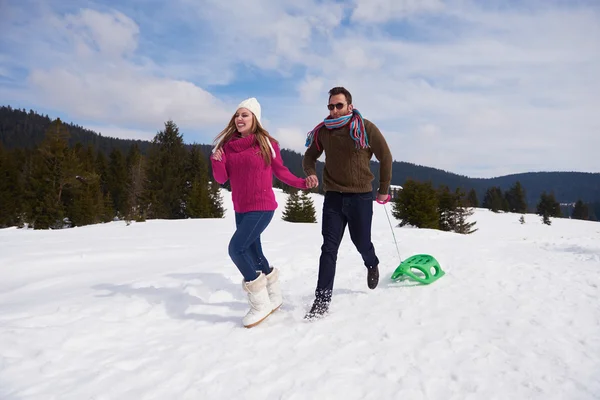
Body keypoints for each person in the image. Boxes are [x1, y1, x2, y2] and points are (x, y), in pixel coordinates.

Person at [211, 97, 316, 328]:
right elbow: (221, 178)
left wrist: (302, 183)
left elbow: (281, 171)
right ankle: (274, 296)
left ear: (255, 119)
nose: (239, 119)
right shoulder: (227, 146)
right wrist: (216, 160)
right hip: (241, 208)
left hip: (262, 207)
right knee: (254, 251)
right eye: (237, 115)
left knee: (236, 249)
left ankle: (260, 303)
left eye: (244, 115)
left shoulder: (267, 143)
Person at [302, 86, 393, 319]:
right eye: (330, 106)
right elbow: (309, 156)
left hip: (360, 196)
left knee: (361, 242)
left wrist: (383, 189)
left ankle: (371, 263)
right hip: (333, 196)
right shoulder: (323, 132)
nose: (334, 110)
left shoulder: (365, 127)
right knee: (328, 248)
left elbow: (386, 157)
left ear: (349, 106)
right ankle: (321, 300)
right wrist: (310, 172)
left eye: (339, 105)